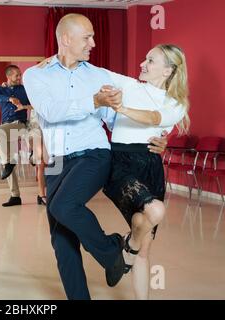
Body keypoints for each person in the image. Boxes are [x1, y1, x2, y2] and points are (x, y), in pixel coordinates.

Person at [23, 13, 167, 300]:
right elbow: (49, 111)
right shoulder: (35, 75)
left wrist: (157, 137)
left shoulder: (99, 76)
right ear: (66, 39)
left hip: (95, 154)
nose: (93, 42)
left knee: (62, 206)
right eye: (87, 37)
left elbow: (115, 121)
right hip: (57, 161)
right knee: (61, 238)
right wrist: (93, 101)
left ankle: (113, 250)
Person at [101, 44, 189, 299]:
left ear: (168, 70)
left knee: (145, 245)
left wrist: (121, 109)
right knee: (156, 211)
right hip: (121, 162)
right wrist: (52, 62)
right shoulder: (129, 86)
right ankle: (127, 246)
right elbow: (94, 70)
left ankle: (129, 251)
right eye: (145, 58)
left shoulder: (177, 104)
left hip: (149, 165)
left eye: (151, 61)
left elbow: (153, 118)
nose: (142, 63)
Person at [0, 65, 31, 207]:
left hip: (19, 125)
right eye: (17, 75)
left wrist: (25, 106)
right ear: (8, 76)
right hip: (6, 127)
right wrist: (9, 98)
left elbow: (34, 103)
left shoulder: (23, 89)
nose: (19, 77)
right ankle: (15, 196)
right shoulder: (0, 89)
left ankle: (8, 162)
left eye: (20, 75)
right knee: (5, 161)